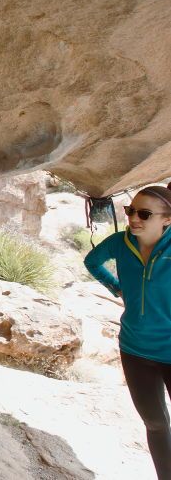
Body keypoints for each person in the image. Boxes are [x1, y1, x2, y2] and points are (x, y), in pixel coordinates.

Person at [84, 185, 171, 480]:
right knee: (156, 424)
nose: (134, 218)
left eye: (144, 214)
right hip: (134, 350)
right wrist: (116, 287)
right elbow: (92, 261)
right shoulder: (121, 243)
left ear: (166, 220)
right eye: (130, 210)